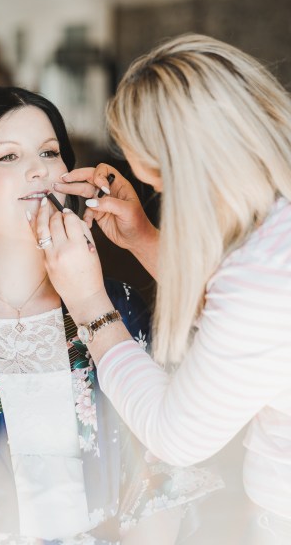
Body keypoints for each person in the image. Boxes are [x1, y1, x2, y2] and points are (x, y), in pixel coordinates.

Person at [0, 85, 220, 545]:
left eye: (50, 152)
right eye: (8, 157)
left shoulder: (117, 306)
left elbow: (161, 473)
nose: (39, 170)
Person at [36, 34, 291, 544]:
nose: (156, 193)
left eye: (161, 182)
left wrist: (89, 305)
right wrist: (145, 239)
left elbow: (178, 436)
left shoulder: (263, 278)